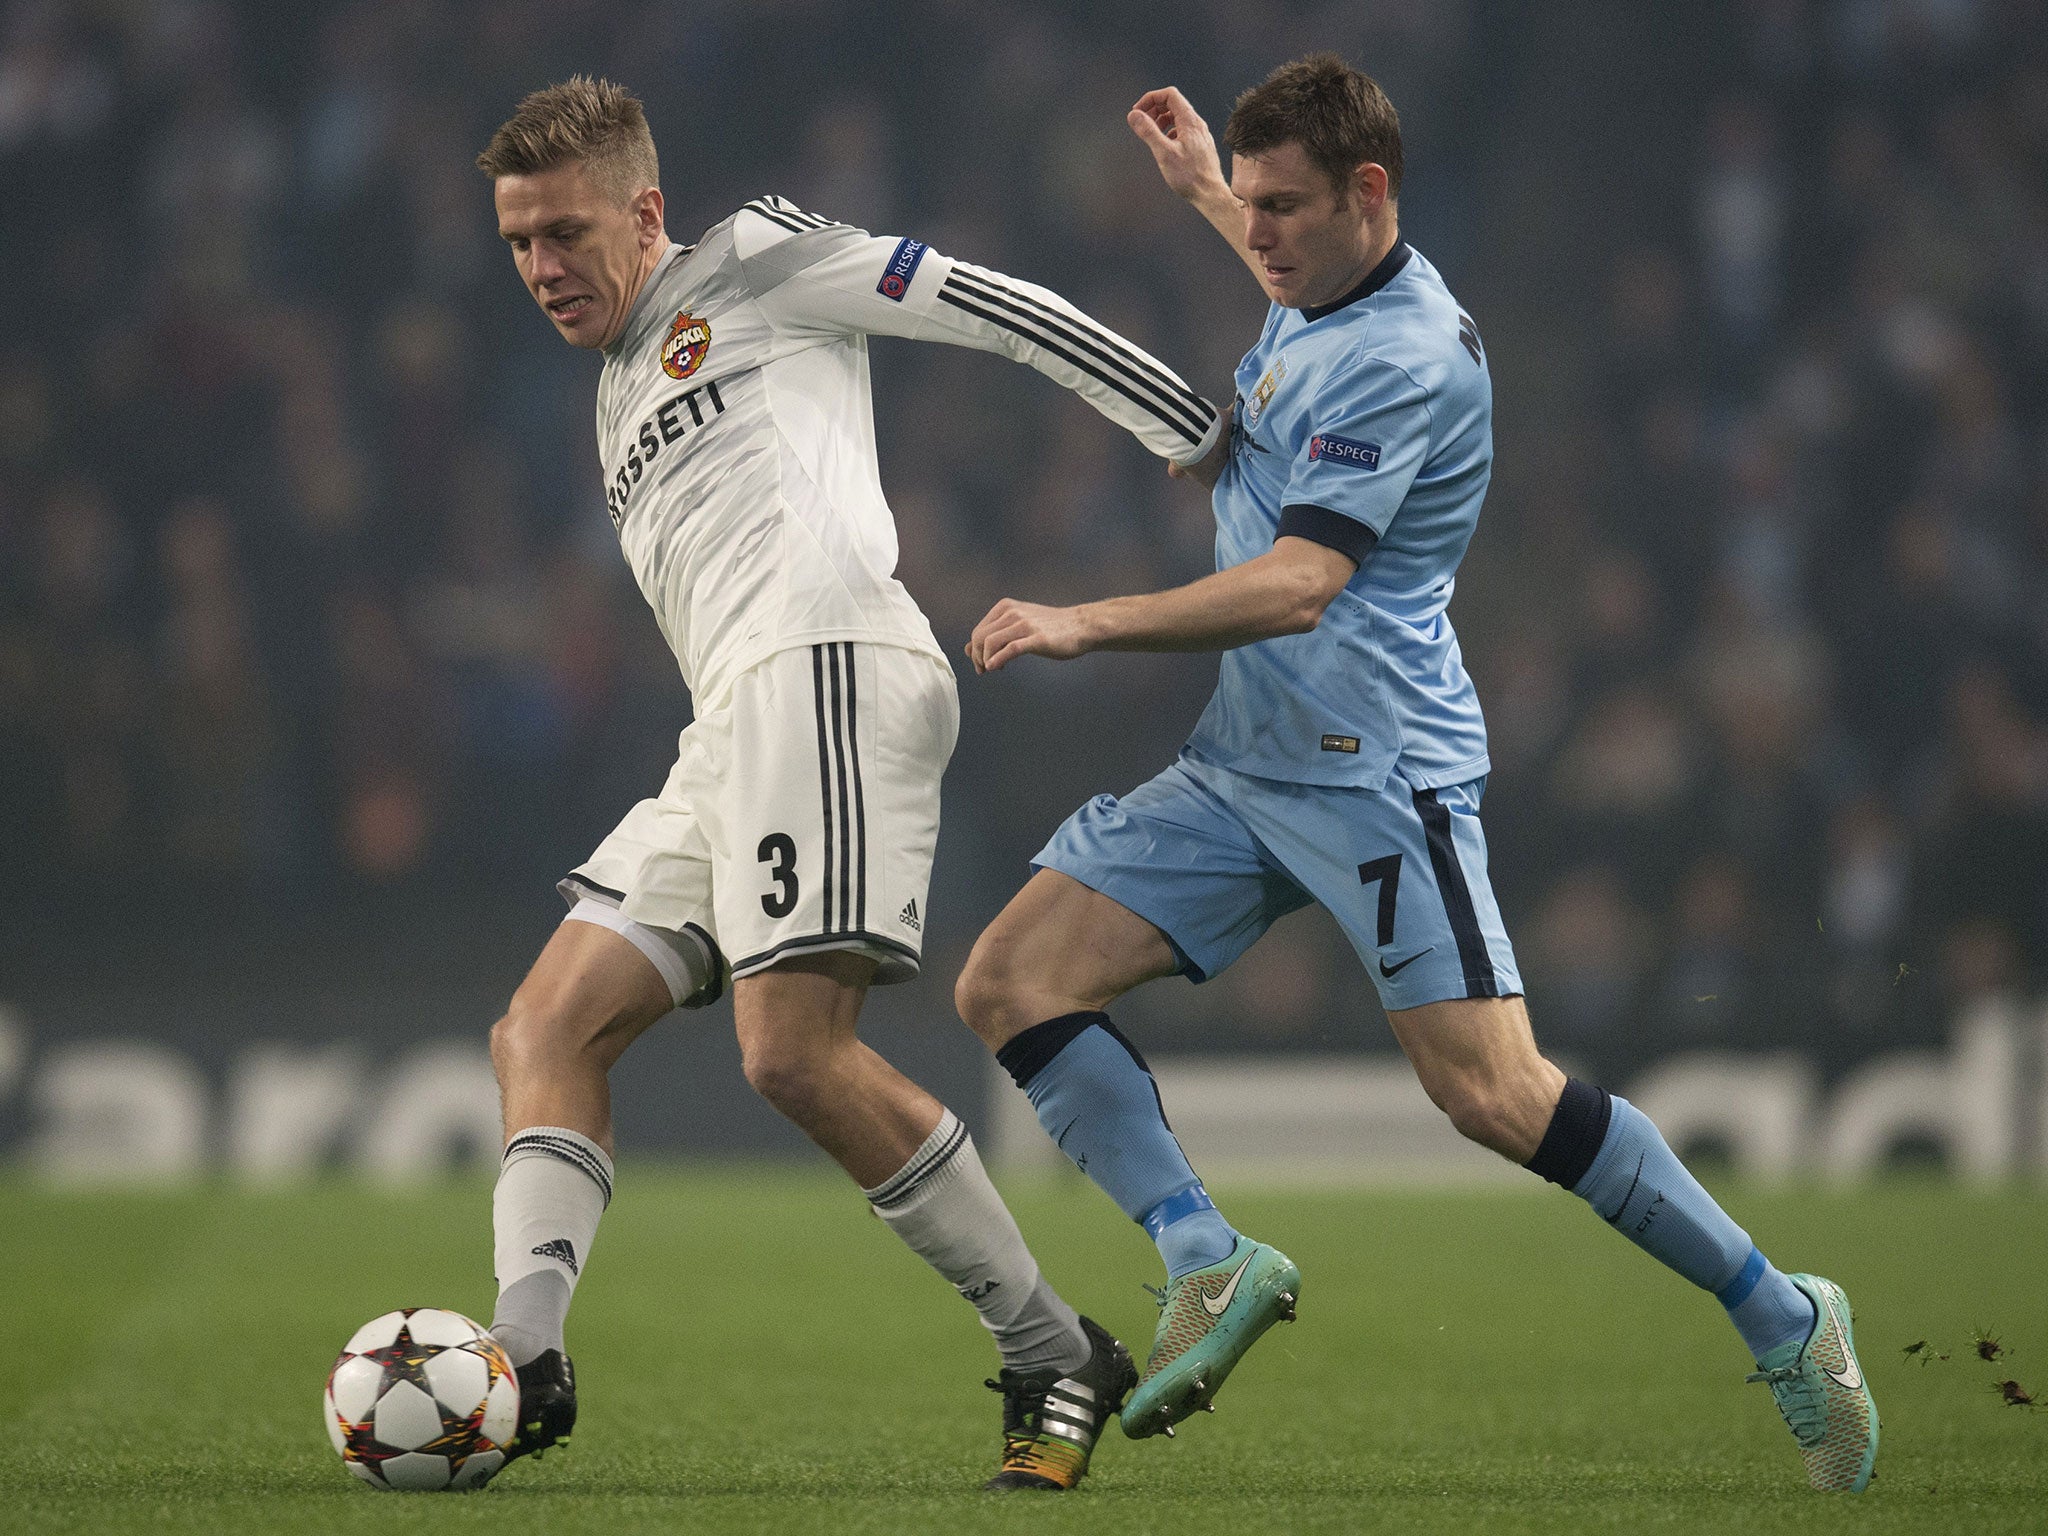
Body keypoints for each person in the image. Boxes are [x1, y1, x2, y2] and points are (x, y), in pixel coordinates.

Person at [955, 54, 1878, 1493]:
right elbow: (1283, 278)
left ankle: (1781, 1308)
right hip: (1245, 760)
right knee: (1009, 981)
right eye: (1250, 206)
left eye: (1283, 208)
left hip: (1377, 770)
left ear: (1368, 196)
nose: (1260, 237)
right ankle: (1208, 1258)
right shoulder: (1323, 283)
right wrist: (1207, 190)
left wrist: (1087, 620)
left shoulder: (1405, 354)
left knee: (1495, 1095)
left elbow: (1300, 583)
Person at [474, 75, 1224, 1492]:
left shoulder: (755, 256)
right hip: (731, 723)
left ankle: (1047, 1344)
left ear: (646, 210)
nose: (542, 269)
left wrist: (1191, 428)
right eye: (518, 244)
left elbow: (984, 300)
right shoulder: (615, 384)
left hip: (829, 665)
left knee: (789, 1053)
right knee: (544, 1026)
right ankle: (528, 1355)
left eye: (566, 233)